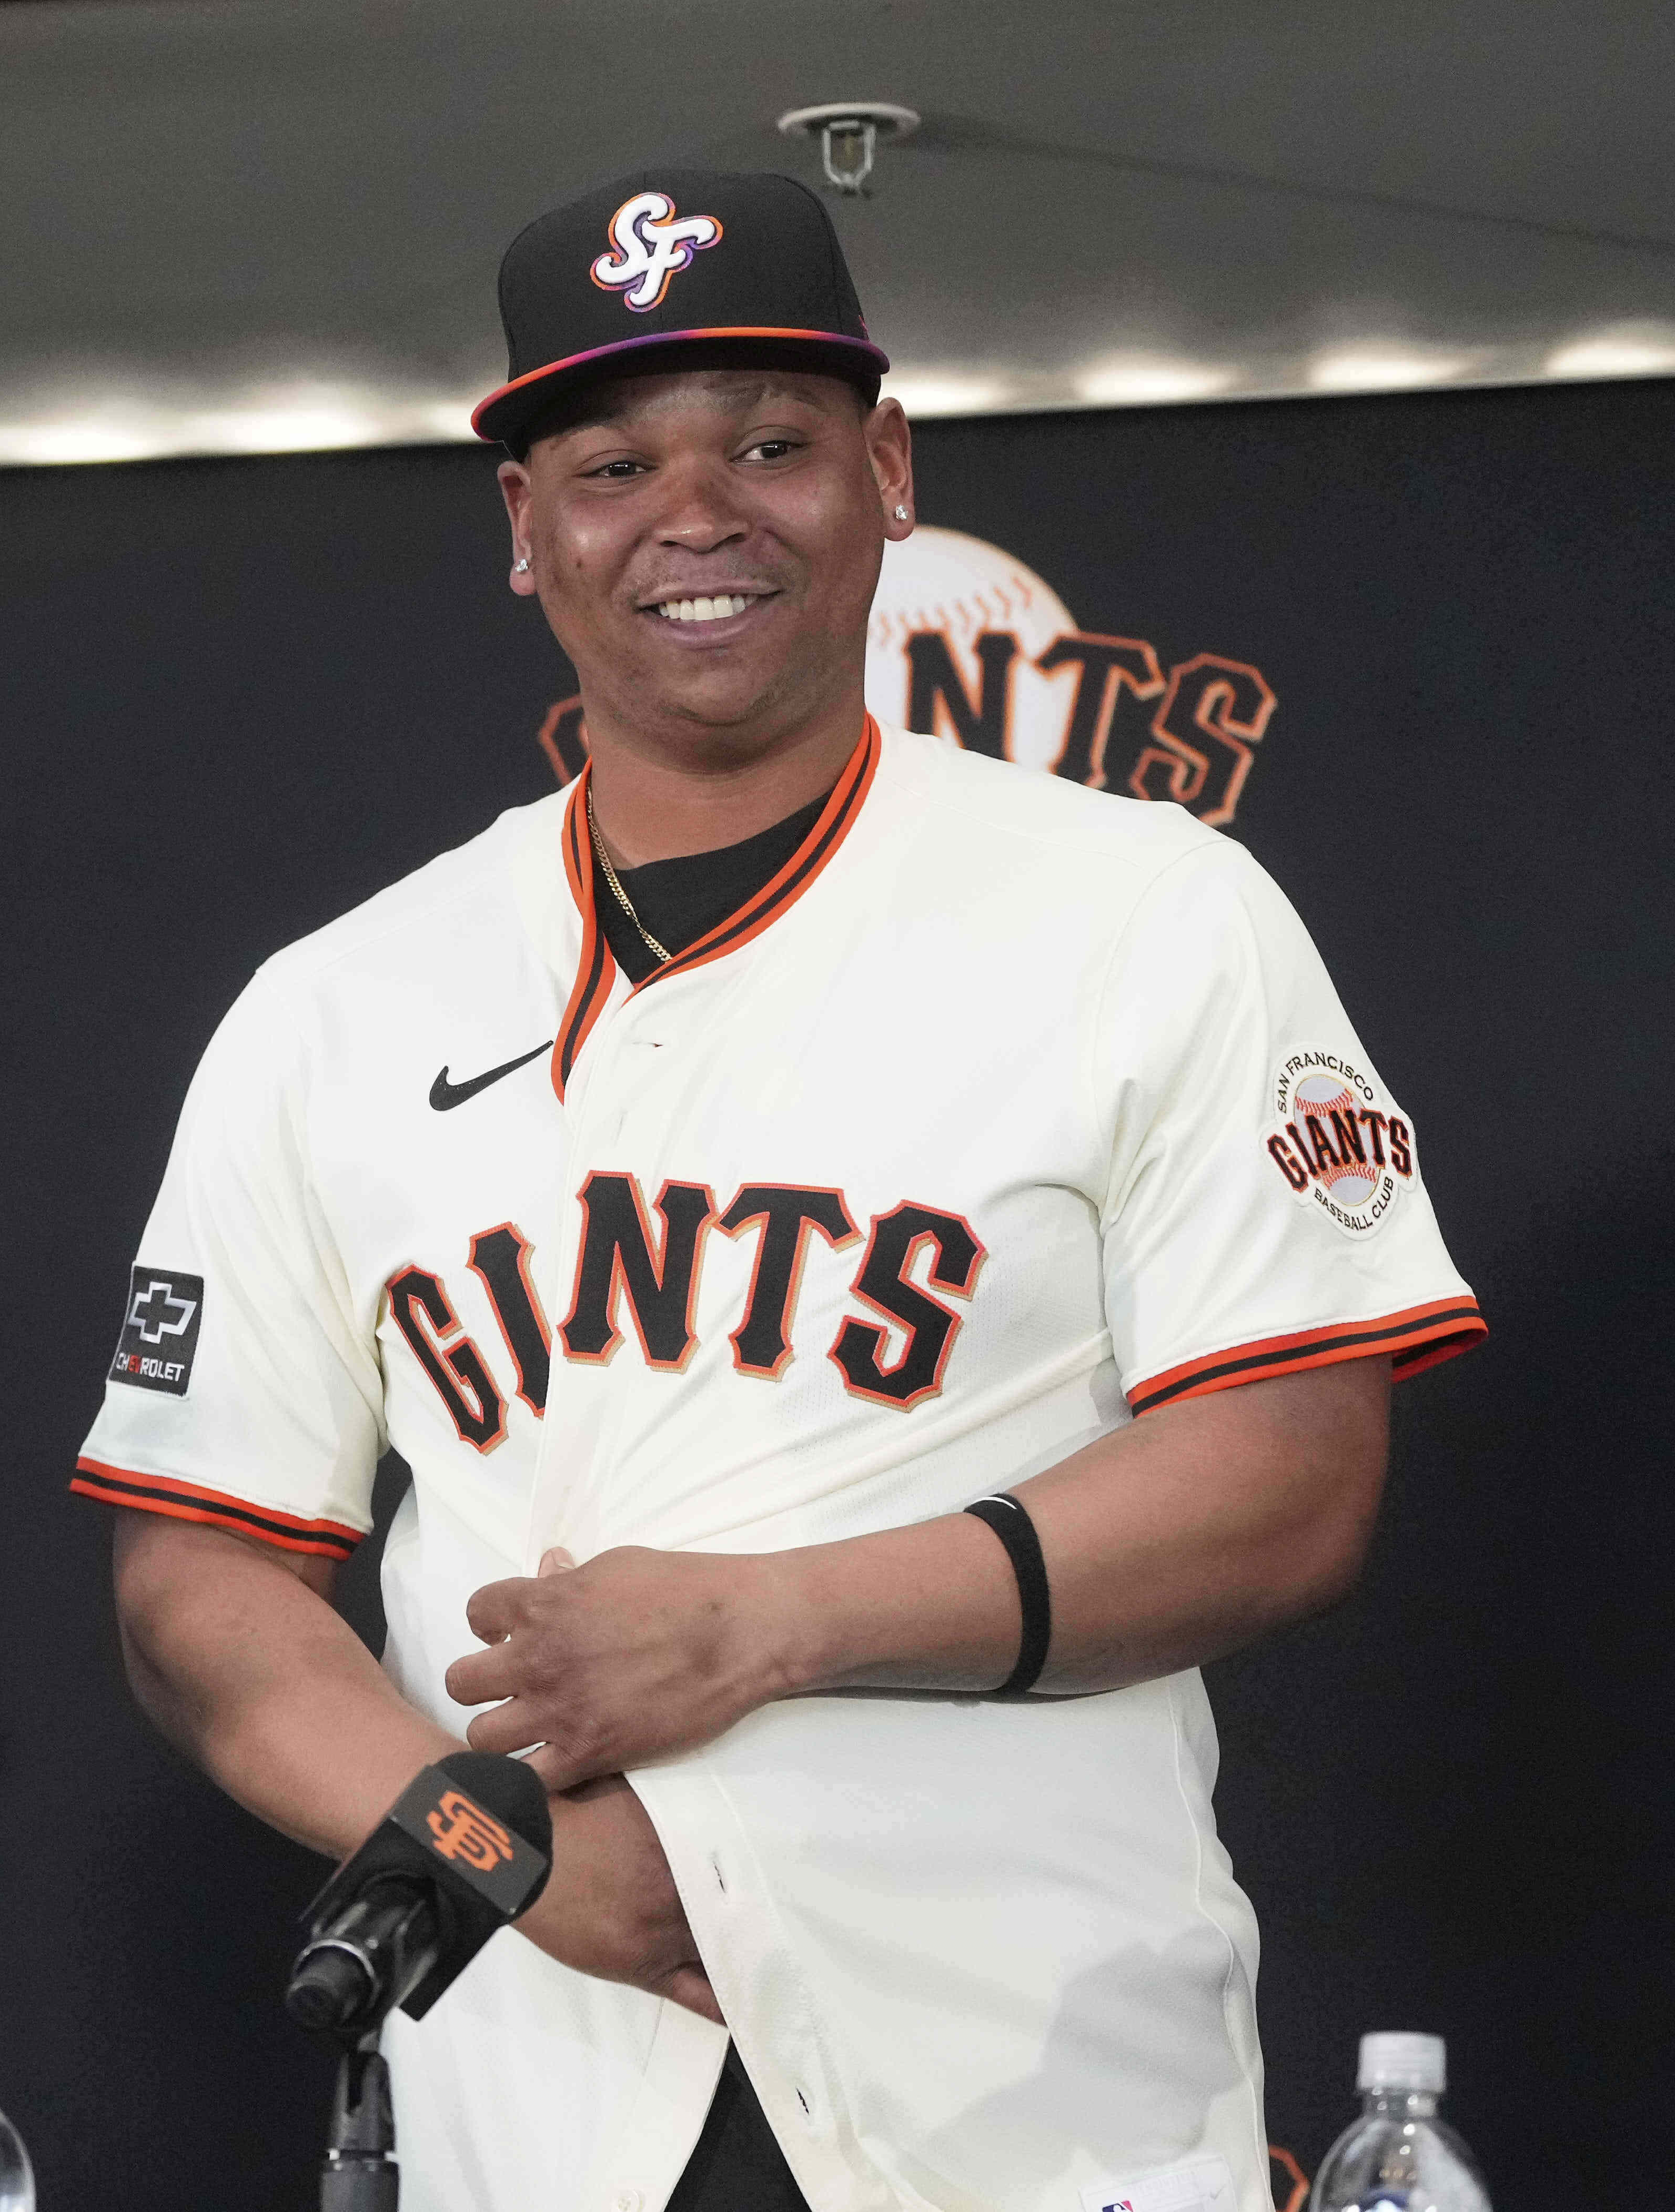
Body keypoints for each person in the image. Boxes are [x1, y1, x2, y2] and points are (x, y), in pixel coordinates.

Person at [78, 168, 1482, 2212]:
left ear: (886, 474)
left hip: (1027, 2082)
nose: (697, 513)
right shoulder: (338, 1002)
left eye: (769, 441)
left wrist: (770, 1624)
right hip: (534, 2098)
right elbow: (196, 1589)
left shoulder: (1149, 913)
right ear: (525, 528)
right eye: (613, 458)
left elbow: (1292, 1469)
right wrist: (508, 1852)